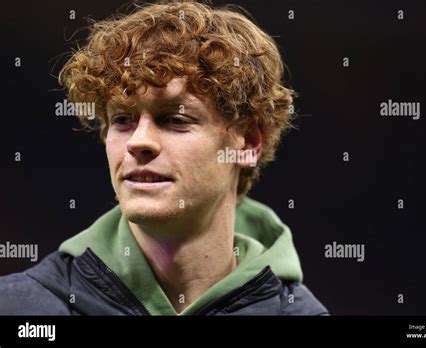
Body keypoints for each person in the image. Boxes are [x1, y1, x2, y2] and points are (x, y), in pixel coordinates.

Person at [0, 0, 328, 315]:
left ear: (249, 142)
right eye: (123, 120)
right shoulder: (18, 308)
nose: (139, 142)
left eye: (175, 119)